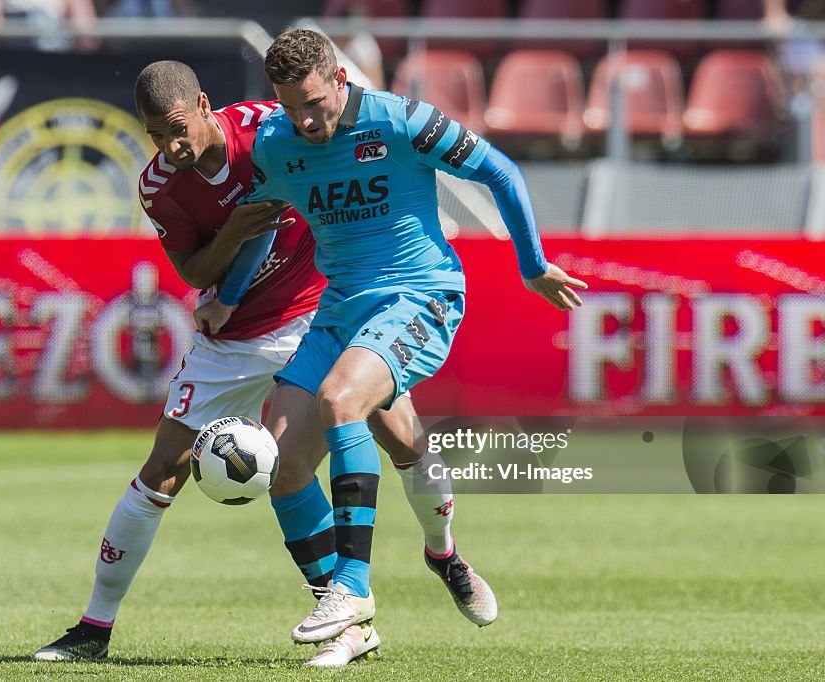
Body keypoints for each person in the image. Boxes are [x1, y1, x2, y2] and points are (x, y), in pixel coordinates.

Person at [33, 60, 495, 668]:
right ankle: (95, 628)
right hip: (234, 339)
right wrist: (230, 248)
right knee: (162, 472)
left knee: (403, 440)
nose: (171, 147)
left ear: (203, 104)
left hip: (317, 314)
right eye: (154, 135)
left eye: (177, 128)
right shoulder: (158, 187)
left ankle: (445, 555)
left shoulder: (271, 130)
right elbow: (195, 271)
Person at [196, 27, 587, 654]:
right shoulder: (275, 143)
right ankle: (350, 621)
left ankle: (370, 579)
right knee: (285, 464)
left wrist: (531, 265)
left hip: (421, 297)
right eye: (288, 106)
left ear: (341, 81)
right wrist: (228, 298)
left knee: (340, 402)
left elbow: (500, 170)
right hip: (341, 309)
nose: (303, 119)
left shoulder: (402, 121)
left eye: (313, 103)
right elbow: (266, 224)